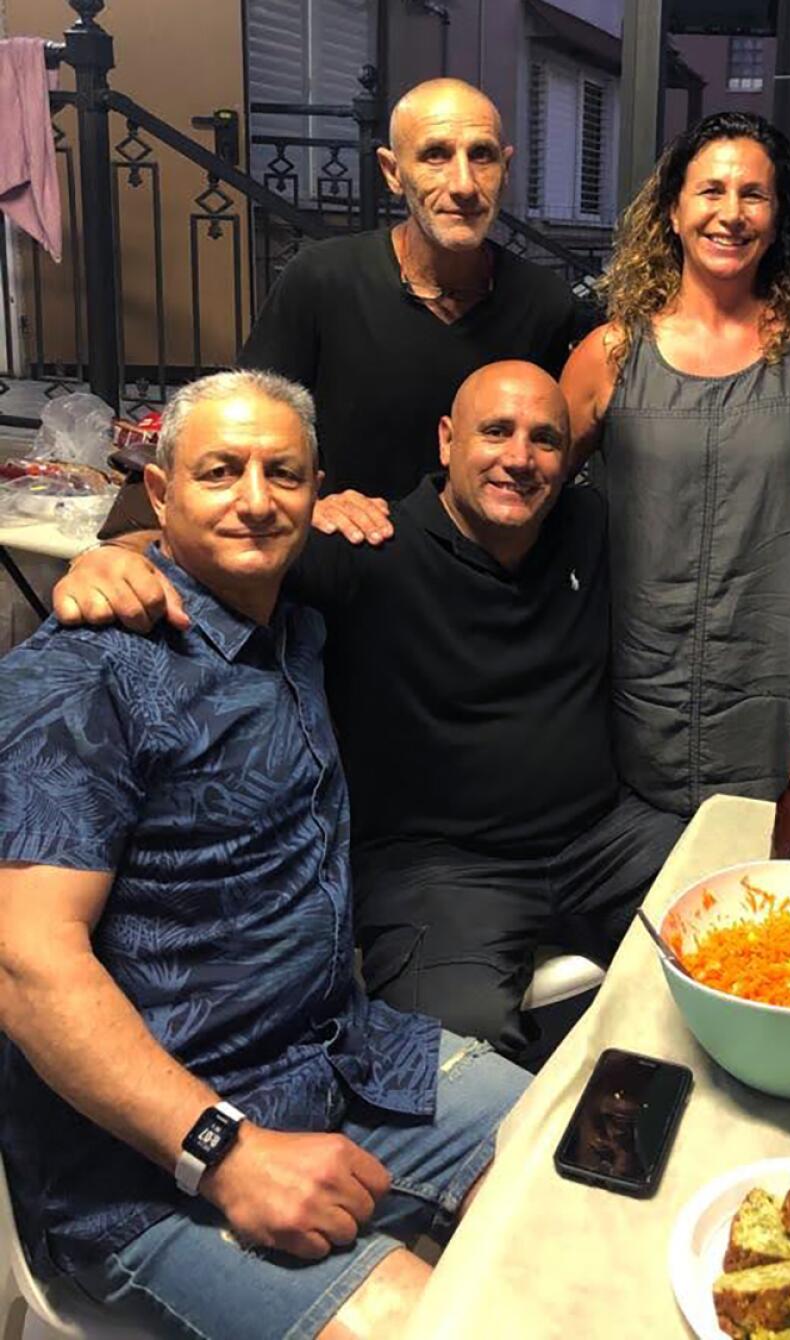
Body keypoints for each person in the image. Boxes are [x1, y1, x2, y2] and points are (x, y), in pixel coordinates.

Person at [0, 370, 529, 1339]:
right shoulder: (86, 670)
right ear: (159, 493)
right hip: (142, 1164)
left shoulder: (298, 629)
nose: (255, 496)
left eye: (282, 472)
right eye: (220, 470)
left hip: (343, 1059)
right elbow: (26, 963)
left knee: (594, 1168)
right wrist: (225, 1151)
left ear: (317, 490)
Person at [44, 362, 684, 1058]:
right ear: (447, 440)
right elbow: (222, 543)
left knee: (752, 907)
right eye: (495, 432)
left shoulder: (589, 524)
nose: (519, 459)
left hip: (604, 839)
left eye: (545, 439)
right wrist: (114, 556)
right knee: (446, 1053)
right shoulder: (368, 549)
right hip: (442, 873)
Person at [92, 76, 588, 553]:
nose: (463, 184)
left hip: (479, 575)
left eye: (481, 156)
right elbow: (240, 423)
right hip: (349, 556)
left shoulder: (544, 302)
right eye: (435, 155)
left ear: (505, 168)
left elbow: (552, 454)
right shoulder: (324, 279)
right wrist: (310, 503)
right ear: (393, 172)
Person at [561, 111, 790, 819]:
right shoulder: (608, 355)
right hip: (640, 702)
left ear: (779, 215)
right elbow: (528, 494)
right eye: (711, 191)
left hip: (780, 693)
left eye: (753, 194)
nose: (731, 214)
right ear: (673, 210)